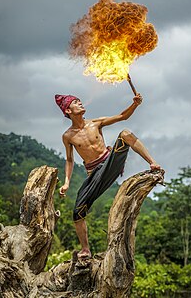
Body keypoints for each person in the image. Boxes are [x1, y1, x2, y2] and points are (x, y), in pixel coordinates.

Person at [55, 93, 162, 258]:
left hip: (110, 163)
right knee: (77, 213)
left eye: (79, 100)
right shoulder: (68, 136)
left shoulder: (95, 123)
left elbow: (122, 116)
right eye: (76, 102)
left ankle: (153, 162)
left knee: (125, 133)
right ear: (68, 110)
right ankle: (85, 249)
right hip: (95, 175)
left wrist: (134, 104)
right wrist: (66, 183)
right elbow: (69, 160)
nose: (80, 102)